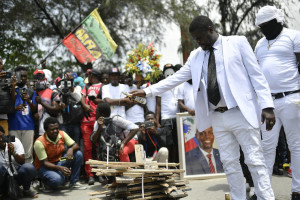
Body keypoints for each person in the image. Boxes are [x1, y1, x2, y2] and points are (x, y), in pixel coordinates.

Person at [130, 15, 276, 200]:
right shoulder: (196, 55)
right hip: (217, 117)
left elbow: (257, 75)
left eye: (200, 37)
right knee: (229, 163)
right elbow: (176, 78)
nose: (198, 42)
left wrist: (267, 106)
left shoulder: (237, 43)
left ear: (210, 29)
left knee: (254, 160)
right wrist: (148, 91)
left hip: (241, 112)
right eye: (195, 39)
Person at [255, 6, 300, 200]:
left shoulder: (294, 36)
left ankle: (297, 190)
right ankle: (265, 192)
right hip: (267, 103)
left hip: (292, 98)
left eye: (266, 25)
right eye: (261, 26)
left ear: (277, 21)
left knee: (296, 146)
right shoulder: (259, 44)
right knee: (266, 147)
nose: (264, 29)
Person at [34, 117, 86, 191]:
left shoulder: (61, 134)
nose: (55, 131)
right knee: (58, 180)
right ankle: (44, 182)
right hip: (44, 167)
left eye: (57, 128)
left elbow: (76, 145)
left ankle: (74, 182)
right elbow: (45, 163)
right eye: (52, 129)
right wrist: (59, 168)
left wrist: (71, 149)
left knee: (78, 154)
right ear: (46, 130)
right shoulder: (39, 142)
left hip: (59, 161)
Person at [8, 66, 37, 163]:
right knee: (13, 152)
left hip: (28, 127)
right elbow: (8, 108)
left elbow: (34, 109)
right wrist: (13, 87)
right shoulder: (8, 90)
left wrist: (28, 100)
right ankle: (14, 176)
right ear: (15, 76)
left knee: (28, 155)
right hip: (12, 127)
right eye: (21, 76)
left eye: (25, 76)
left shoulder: (31, 91)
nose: (23, 78)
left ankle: (28, 176)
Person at [0, 126, 37, 198]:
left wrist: (13, 152)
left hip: (16, 174)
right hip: (2, 178)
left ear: (4, 134)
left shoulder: (14, 140)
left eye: (1, 136)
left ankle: (26, 190)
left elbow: (22, 161)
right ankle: (2, 192)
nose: (0, 139)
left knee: (28, 167)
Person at [80, 69, 102, 185]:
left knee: (99, 148)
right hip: (86, 121)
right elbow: (82, 99)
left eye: (90, 75)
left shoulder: (103, 86)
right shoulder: (86, 86)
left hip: (98, 121)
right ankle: (90, 175)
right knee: (88, 148)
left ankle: (100, 173)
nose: (88, 76)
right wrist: (85, 106)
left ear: (94, 75)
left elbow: (105, 100)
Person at [156, 64, 180, 163]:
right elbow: (158, 105)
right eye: (167, 73)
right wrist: (157, 121)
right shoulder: (161, 85)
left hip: (178, 117)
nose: (169, 75)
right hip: (166, 119)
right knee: (168, 144)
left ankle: (175, 165)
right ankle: (168, 165)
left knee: (177, 143)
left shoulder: (179, 83)